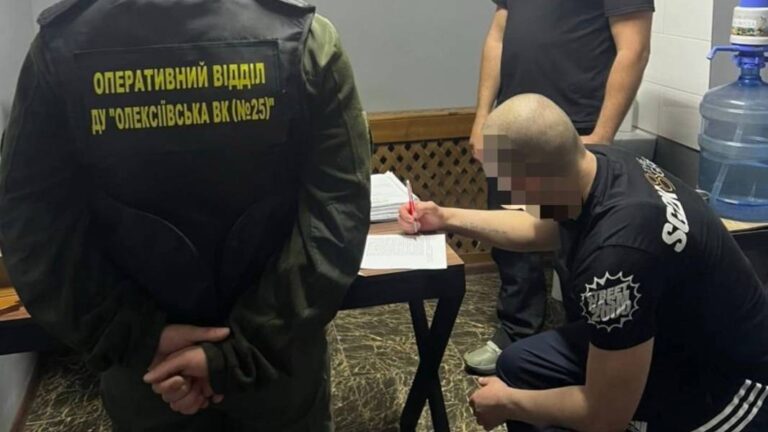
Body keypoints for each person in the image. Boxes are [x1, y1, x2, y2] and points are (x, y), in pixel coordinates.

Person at [0, 0, 371, 430]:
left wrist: (140, 337)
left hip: (151, 374)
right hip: (276, 365)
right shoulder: (307, 41)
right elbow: (336, 219)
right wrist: (240, 350)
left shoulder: (59, 48)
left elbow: (31, 227)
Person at [400, 94, 768, 431]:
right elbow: (537, 228)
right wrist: (445, 217)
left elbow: (604, 416)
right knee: (518, 366)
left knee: (522, 398)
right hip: (663, 334)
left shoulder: (617, 258)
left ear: (537, 177)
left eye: (505, 183)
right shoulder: (598, 164)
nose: (506, 195)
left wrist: (507, 403)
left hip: (727, 384)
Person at [463, 0, 654, 375]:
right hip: (512, 122)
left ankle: (585, 348)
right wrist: (483, 117)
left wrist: (601, 136)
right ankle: (515, 330)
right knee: (511, 243)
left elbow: (634, 49)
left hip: (574, 128)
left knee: (575, 246)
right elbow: (498, 35)